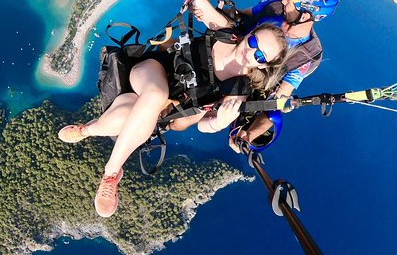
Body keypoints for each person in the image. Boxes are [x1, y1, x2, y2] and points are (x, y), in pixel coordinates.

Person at [57, 22, 288, 218]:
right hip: (151, 72)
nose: (250, 52)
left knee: (127, 116)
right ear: (249, 34)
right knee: (157, 94)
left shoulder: (239, 88)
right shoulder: (225, 33)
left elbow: (204, 125)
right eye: (253, 43)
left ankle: (86, 130)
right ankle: (111, 173)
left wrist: (220, 121)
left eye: (259, 55)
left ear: (263, 65)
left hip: (157, 110)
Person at [187, 0, 340, 152]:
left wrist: (250, 135)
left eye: (291, 1)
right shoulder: (275, 7)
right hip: (231, 52)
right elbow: (240, 17)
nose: (285, 2)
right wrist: (215, 15)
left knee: (266, 108)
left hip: (244, 84)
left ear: (306, 15)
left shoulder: (307, 54)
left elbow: (277, 100)